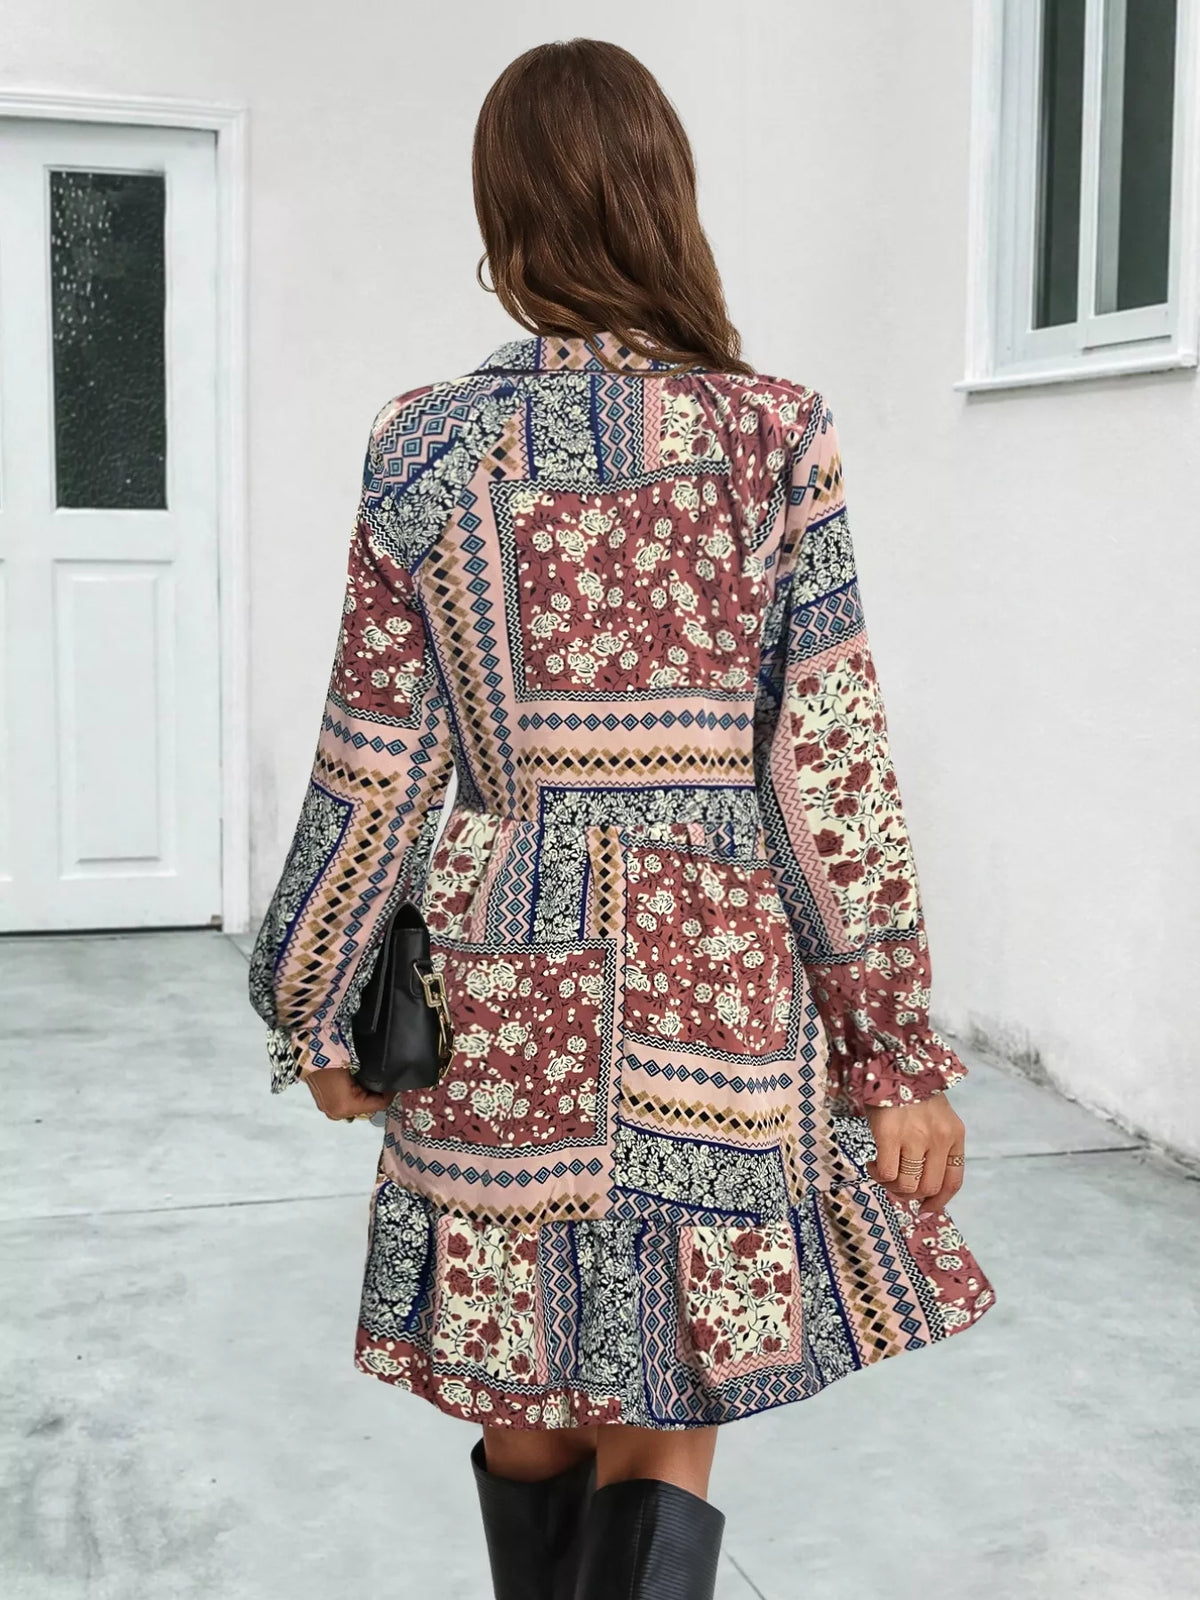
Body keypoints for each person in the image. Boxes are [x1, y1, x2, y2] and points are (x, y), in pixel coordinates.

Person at [249, 37, 995, 1600]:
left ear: (502, 213)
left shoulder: (424, 444)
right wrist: (892, 1051)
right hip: (711, 980)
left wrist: (315, 1002)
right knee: (666, 1399)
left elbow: (375, 755)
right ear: (667, 194)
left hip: (498, 973)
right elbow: (828, 760)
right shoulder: (776, 434)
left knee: (525, 1404)